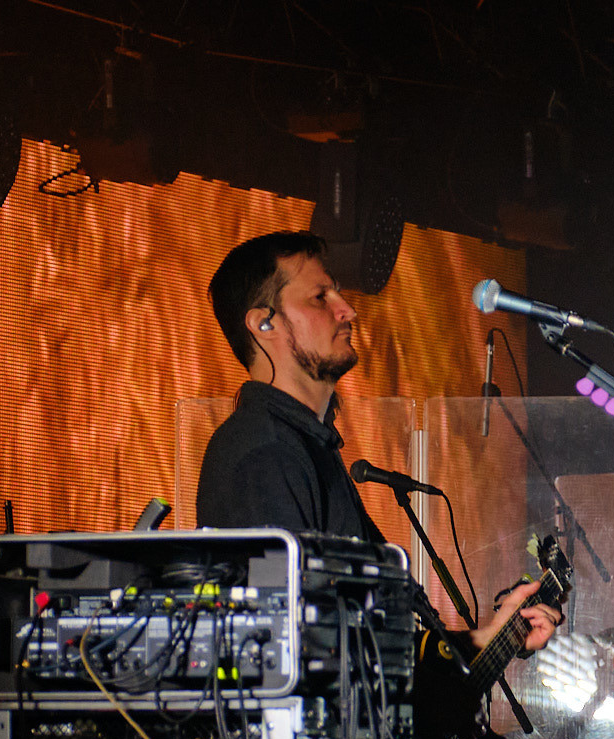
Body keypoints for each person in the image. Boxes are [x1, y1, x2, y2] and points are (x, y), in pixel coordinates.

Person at [194, 230, 558, 656]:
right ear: (263, 323)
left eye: (339, 294)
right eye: (320, 297)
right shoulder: (265, 455)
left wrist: (490, 639)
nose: (347, 310)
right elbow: (292, 654)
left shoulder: (305, 446)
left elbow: (372, 659)